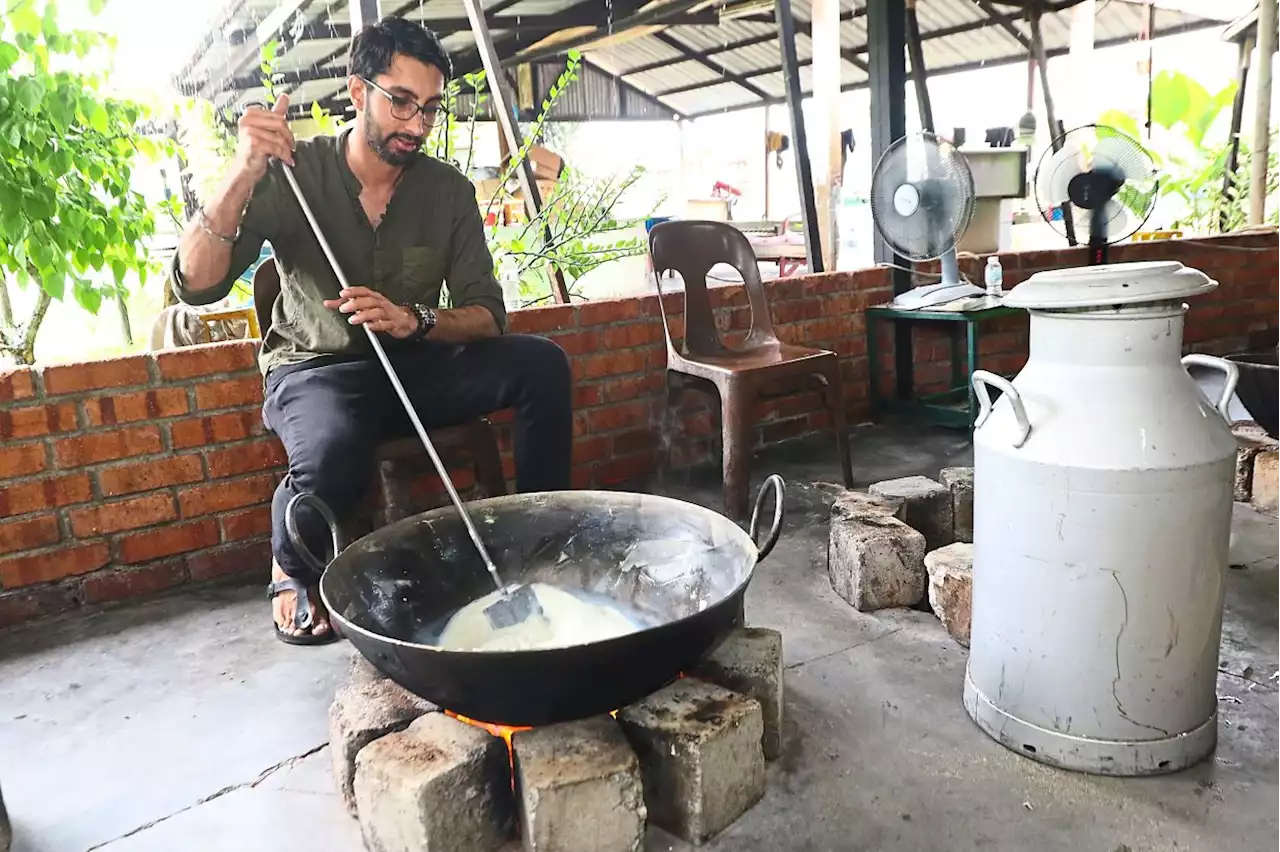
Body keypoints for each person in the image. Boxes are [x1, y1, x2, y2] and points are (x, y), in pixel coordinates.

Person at [168, 16, 573, 645]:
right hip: (317, 371)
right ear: (359, 93)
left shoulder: (449, 192)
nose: (417, 124)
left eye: (430, 109)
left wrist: (417, 320)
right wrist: (242, 172)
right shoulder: (293, 173)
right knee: (331, 453)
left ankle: (539, 543)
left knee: (542, 364)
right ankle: (294, 566)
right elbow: (196, 285)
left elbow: (487, 313)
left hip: (416, 360)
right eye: (401, 102)